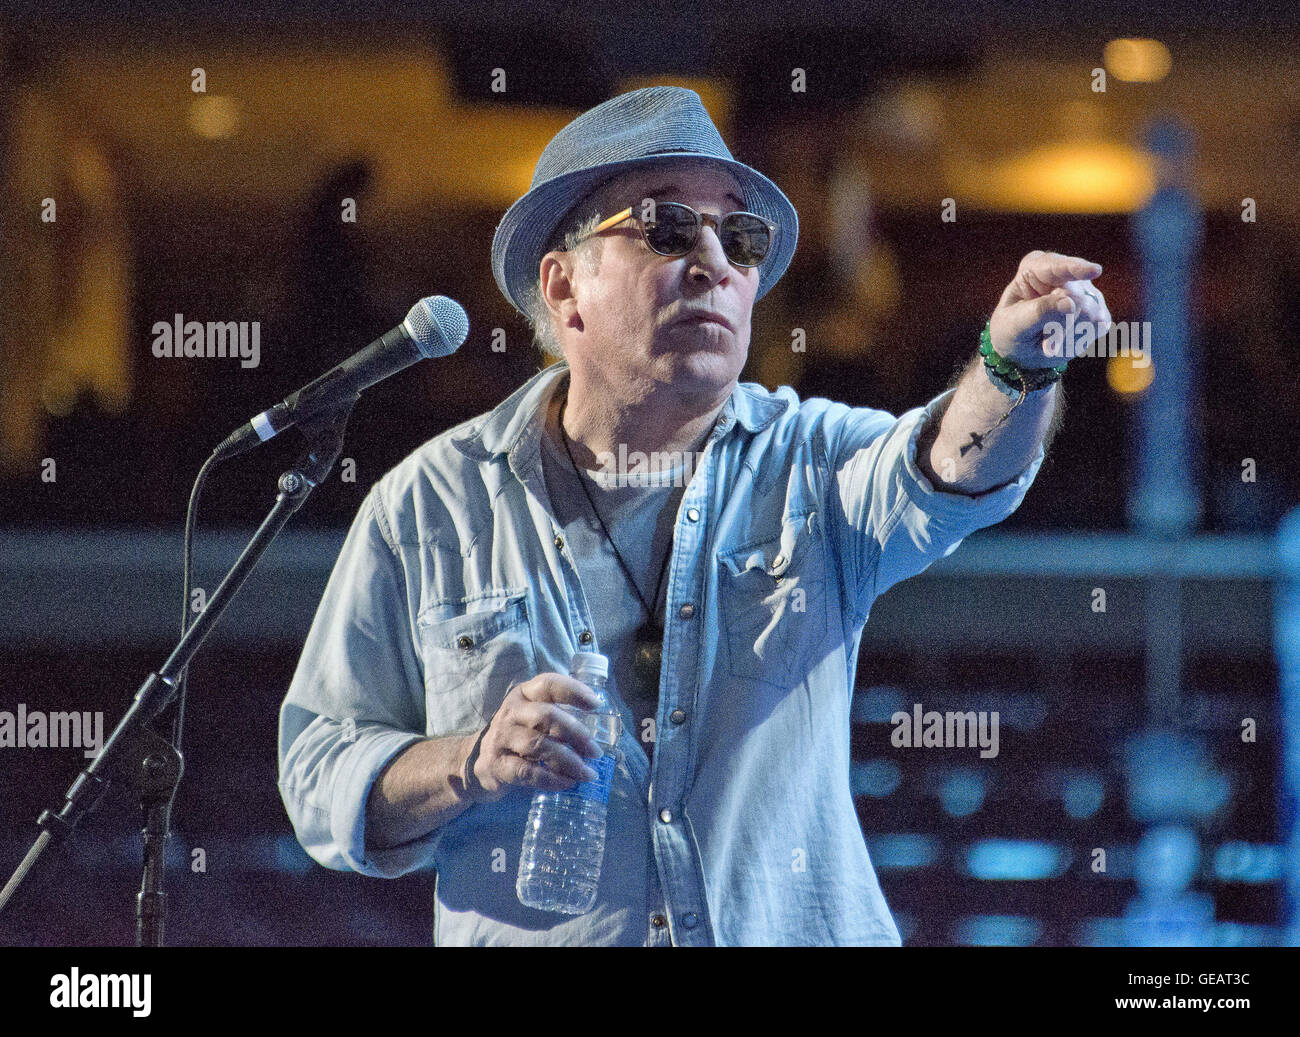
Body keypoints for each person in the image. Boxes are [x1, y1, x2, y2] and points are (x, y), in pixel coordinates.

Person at [277, 86, 1110, 946]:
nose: (714, 260)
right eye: (667, 228)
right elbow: (318, 772)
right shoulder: (430, 505)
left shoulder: (812, 462)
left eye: (738, 238)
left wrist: (1012, 369)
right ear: (565, 289)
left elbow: (946, 470)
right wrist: (474, 760)